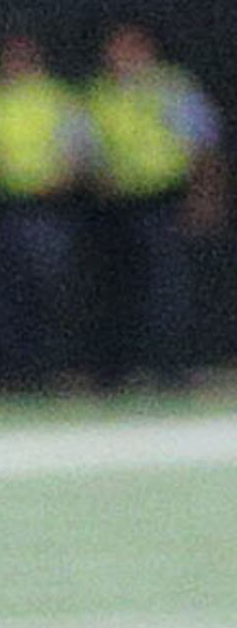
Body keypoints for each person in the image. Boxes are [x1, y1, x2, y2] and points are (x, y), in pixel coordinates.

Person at [78, 25, 223, 391]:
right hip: (115, 205)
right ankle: (120, 371)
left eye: (127, 49)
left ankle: (171, 369)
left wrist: (203, 196)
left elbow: (204, 145)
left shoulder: (171, 87)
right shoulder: (100, 93)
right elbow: (84, 149)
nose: (119, 58)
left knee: (168, 288)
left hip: (164, 200)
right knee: (119, 288)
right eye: (114, 50)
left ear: (146, 50)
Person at [0, 32, 87, 394]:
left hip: (47, 210)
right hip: (1, 209)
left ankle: (51, 371)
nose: (14, 64)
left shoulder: (58, 97)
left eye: (22, 57)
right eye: (9, 57)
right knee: (4, 295)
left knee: (50, 292)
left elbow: (76, 153)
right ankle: (12, 374)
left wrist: (59, 180)